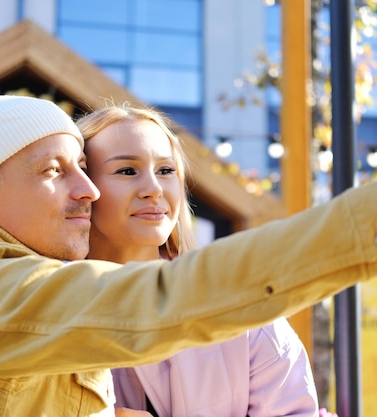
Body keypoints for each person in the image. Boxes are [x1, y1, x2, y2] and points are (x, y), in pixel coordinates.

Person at [0, 94, 377, 416]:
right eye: (56, 172)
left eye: (168, 170)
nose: (87, 190)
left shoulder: (6, 294)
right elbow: (166, 306)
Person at [77, 104, 321, 417]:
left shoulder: (241, 308)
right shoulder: (42, 314)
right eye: (127, 171)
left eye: (166, 171)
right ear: (81, 188)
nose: (154, 189)